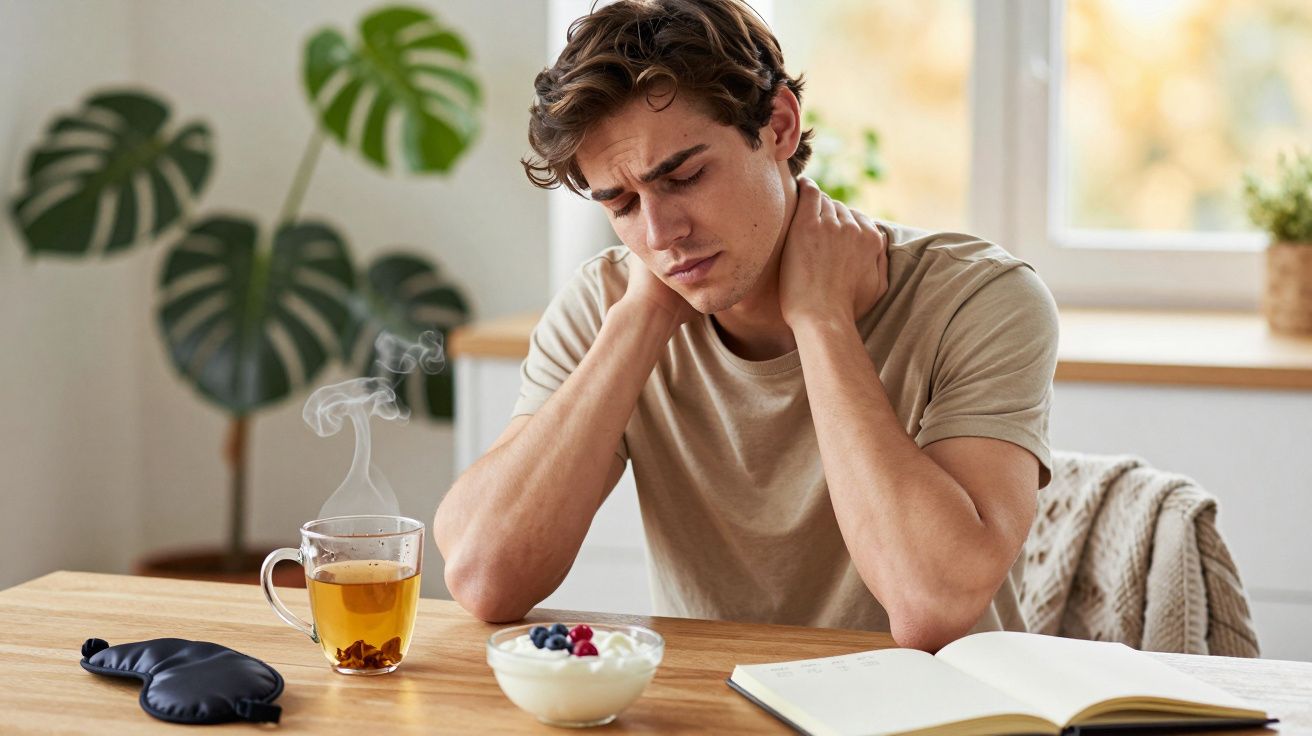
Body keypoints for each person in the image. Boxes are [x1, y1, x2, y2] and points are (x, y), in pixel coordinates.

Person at [434, 0, 1059, 652]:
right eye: (620, 203)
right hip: (712, 713)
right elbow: (483, 576)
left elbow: (934, 606)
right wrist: (645, 317)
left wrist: (822, 321)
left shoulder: (980, 299)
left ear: (780, 126)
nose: (659, 234)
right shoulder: (611, 305)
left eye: (684, 176)